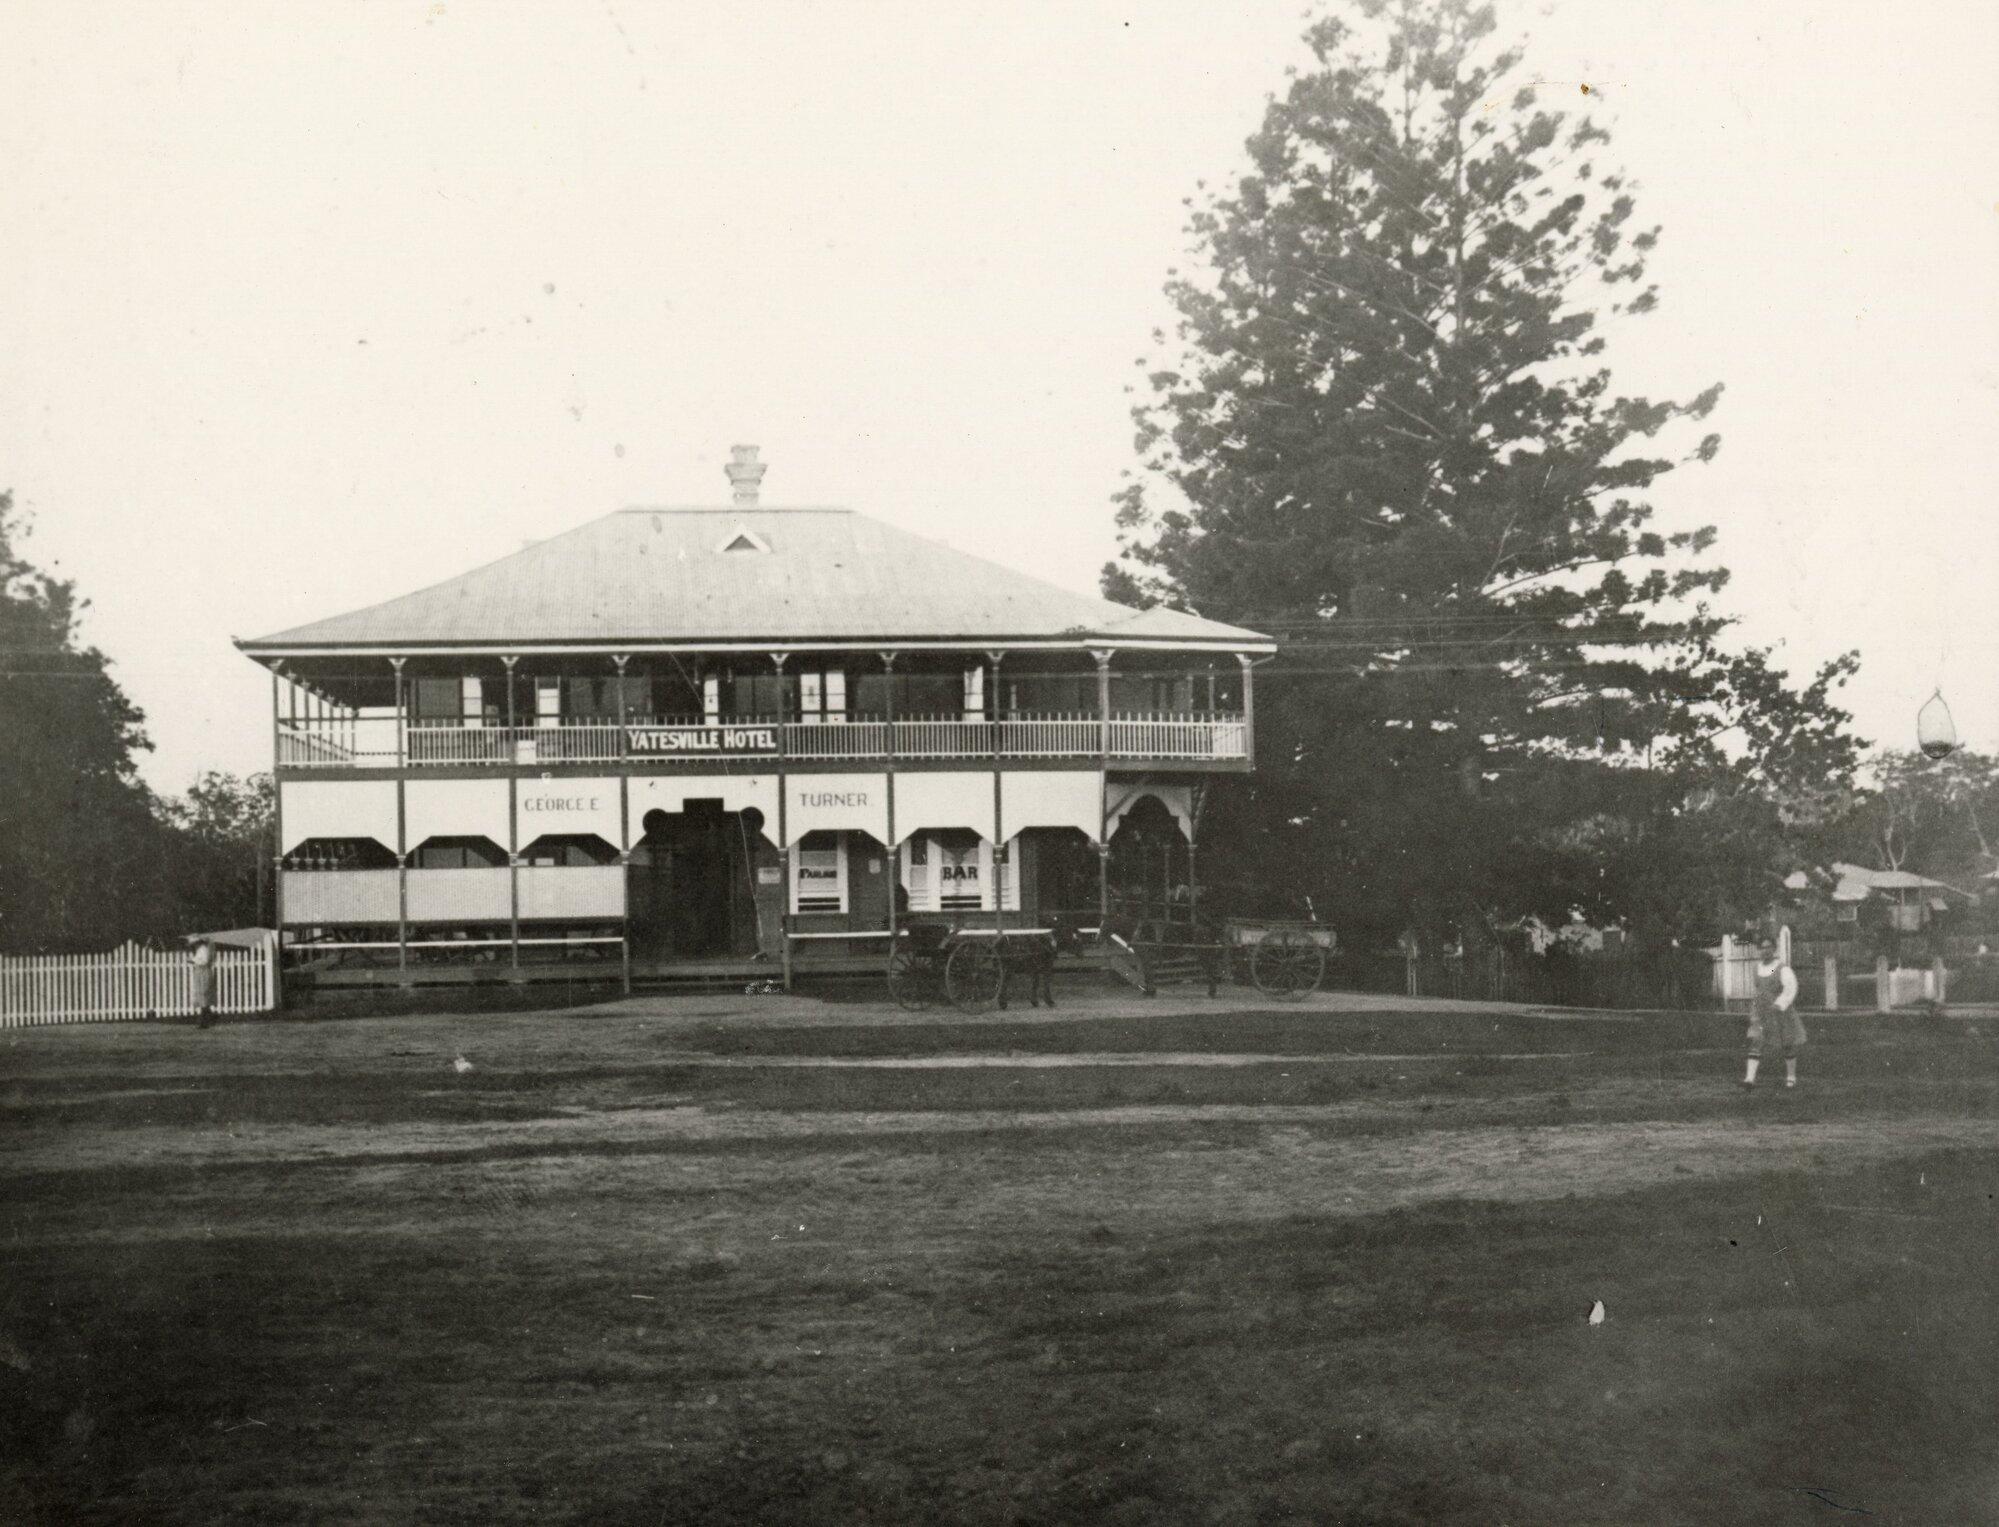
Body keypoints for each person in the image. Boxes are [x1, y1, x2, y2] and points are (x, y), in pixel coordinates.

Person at [1742, 938, 1803, 1091]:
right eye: (1762, 948)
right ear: (1759, 950)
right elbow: (1759, 989)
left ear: (1774, 949)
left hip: (1779, 1010)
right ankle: (1749, 1079)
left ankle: (1791, 1078)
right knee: (1757, 1040)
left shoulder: (1783, 969)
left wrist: (1780, 1004)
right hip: (1761, 1011)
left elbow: (1791, 988)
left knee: (1787, 1043)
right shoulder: (1757, 968)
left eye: (1769, 947)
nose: (1765, 950)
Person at [190, 938, 218, 1029]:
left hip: (203, 973)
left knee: (204, 995)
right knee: (201, 996)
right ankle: (209, 1019)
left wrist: (193, 960)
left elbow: (205, 961)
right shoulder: (199, 950)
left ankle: (204, 1022)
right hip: (200, 973)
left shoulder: (203, 949)